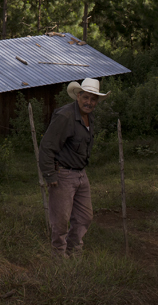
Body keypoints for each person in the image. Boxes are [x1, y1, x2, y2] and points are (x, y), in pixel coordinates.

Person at [37, 77, 107, 257]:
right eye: (86, 97)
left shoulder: (89, 117)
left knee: (85, 216)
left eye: (93, 99)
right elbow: (47, 146)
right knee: (61, 219)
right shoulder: (65, 116)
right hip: (63, 173)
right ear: (78, 96)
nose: (89, 102)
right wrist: (50, 175)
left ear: (96, 101)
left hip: (81, 174)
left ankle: (74, 251)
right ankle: (59, 256)